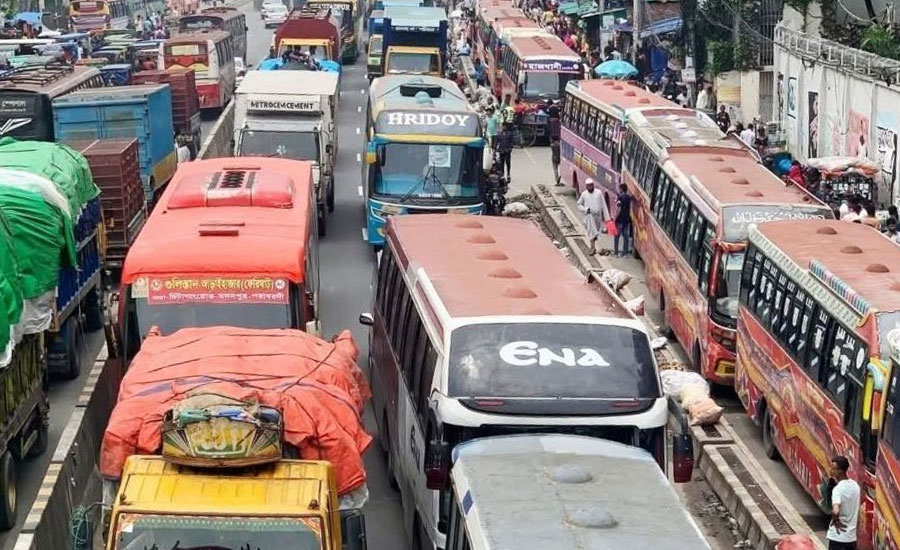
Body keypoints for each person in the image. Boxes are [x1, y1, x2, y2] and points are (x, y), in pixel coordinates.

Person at [826, 456, 859, 550]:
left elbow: (835, 511)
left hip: (837, 538)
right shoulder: (855, 486)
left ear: (840, 471)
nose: (830, 470)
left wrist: (836, 521)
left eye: (833, 468)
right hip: (851, 539)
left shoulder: (838, 490)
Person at [576, 179, 610, 255]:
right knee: (591, 232)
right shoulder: (584, 194)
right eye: (588, 186)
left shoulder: (599, 193)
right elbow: (579, 204)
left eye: (591, 186)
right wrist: (585, 209)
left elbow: (604, 205)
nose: (589, 187)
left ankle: (593, 244)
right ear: (586, 186)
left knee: (595, 233)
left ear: (593, 185)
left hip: (598, 217)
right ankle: (592, 248)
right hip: (589, 215)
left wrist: (607, 218)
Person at [614, 183, 633, 256]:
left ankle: (616, 252)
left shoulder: (620, 198)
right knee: (626, 236)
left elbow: (619, 209)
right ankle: (625, 252)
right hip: (627, 219)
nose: (619, 190)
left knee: (617, 236)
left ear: (622, 189)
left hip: (620, 220)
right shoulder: (628, 197)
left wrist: (615, 218)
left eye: (620, 188)